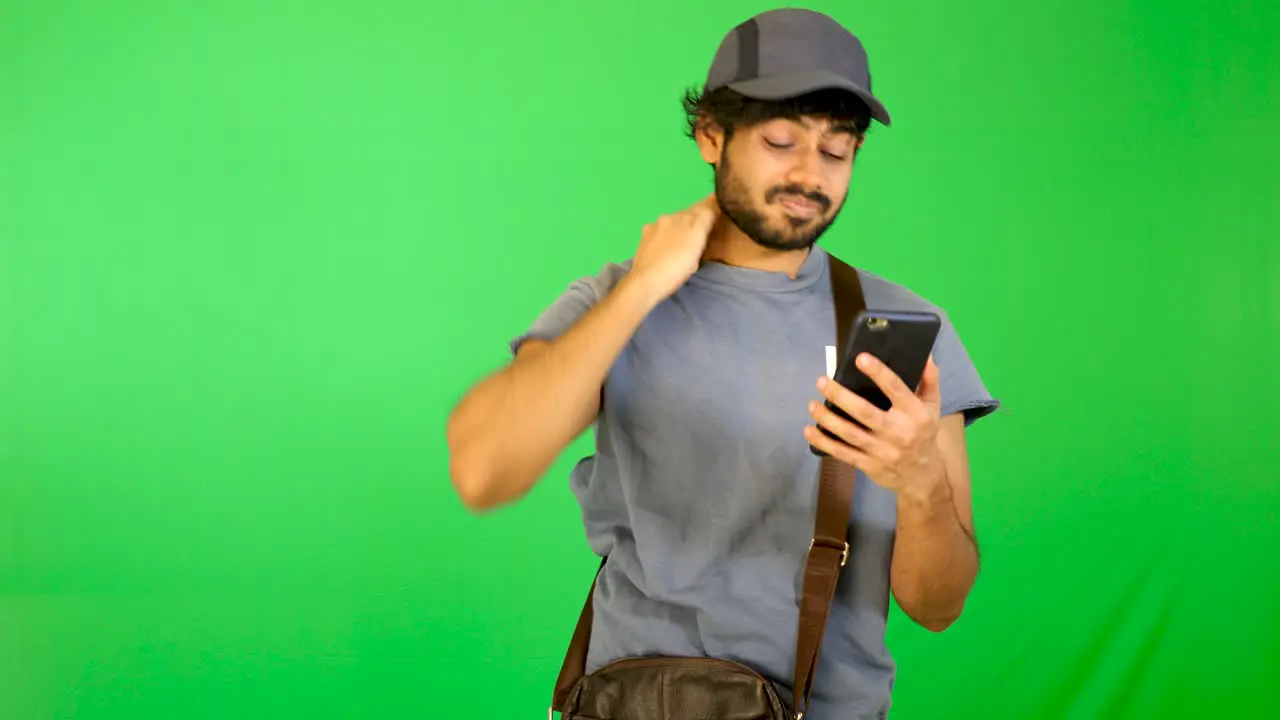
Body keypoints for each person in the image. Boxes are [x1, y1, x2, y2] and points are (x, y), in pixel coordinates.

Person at [446, 7, 1000, 719]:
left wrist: (921, 483)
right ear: (712, 135)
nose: (810, 173)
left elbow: (940, 605)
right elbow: (484, 468)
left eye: (837, 151)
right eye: (780, 141)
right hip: (633, 704)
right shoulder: (614, 300)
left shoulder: (901, 328)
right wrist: (644, 287)